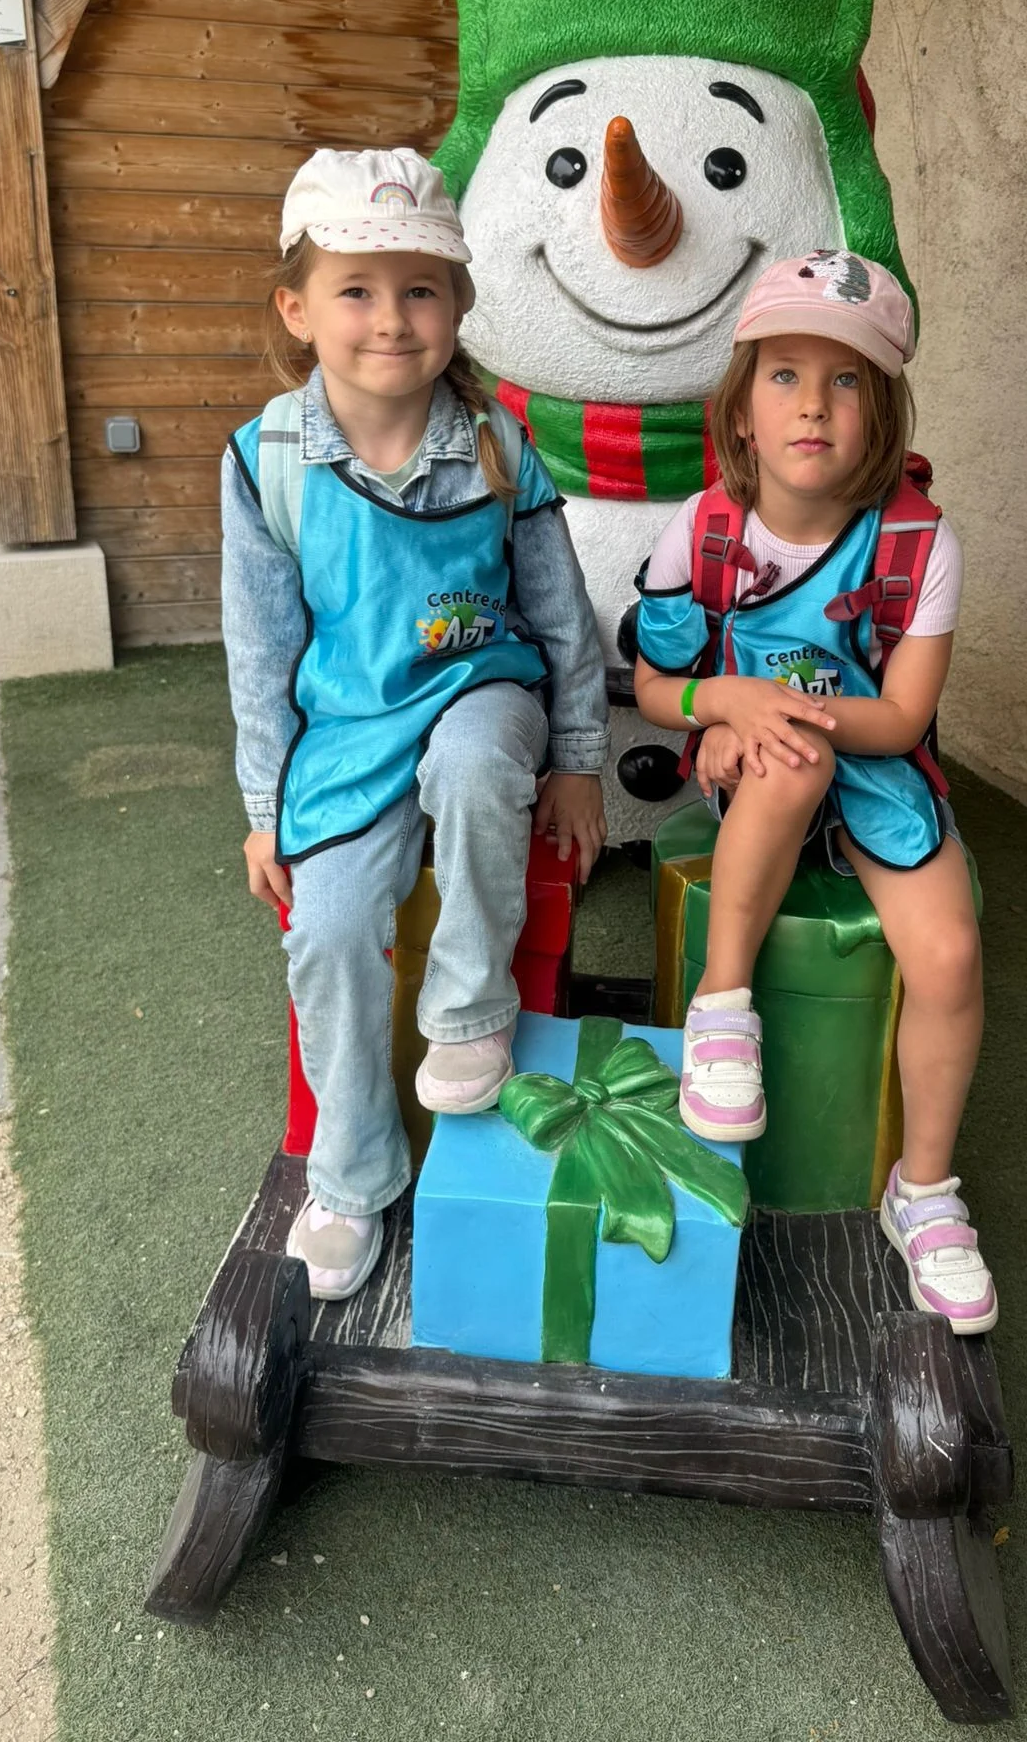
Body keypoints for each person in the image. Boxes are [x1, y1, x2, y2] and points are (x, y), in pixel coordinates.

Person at [222, 147, 608, 1300]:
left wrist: (577, 759)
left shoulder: (497, 443)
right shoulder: (267, 458)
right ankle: (351, 1174)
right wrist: (265, 808)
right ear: (296, 309)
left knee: (480, 756)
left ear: (458, 304)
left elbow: (561, 611)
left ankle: (471, 1010)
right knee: (331, 923)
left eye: (421, 289)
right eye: (356, 289)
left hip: (482, 686)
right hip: (349, 732)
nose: (391, 317)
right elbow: (261, 653)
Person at [632, 251, 996, 1333]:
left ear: (880, 411)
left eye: (846, 381)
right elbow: (654, 687)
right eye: (785, 374)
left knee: (949, 954)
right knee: (791, 761)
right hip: (764, 764)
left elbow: (902, 718)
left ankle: (922, 1191)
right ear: (740, 407)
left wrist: (783, 711)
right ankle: (722, 1006)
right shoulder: (701, 528)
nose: (813, 404)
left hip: (872, 758)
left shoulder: (920, 541)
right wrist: (724, 705)